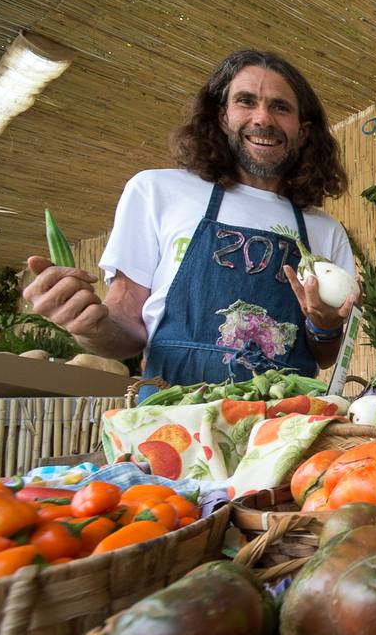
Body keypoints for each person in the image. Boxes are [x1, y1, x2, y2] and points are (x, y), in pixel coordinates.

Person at [22, 48, 358, 391]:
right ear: (222, 117)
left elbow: (323, 355)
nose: (263, 118)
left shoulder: (324, 230)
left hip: (283, 425)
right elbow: (125, 328)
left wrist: (325, 327)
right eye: (245, 101)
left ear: (303, 131)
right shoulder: (157, 191)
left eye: (280, 107)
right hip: (174, 418)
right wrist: (89, 327)